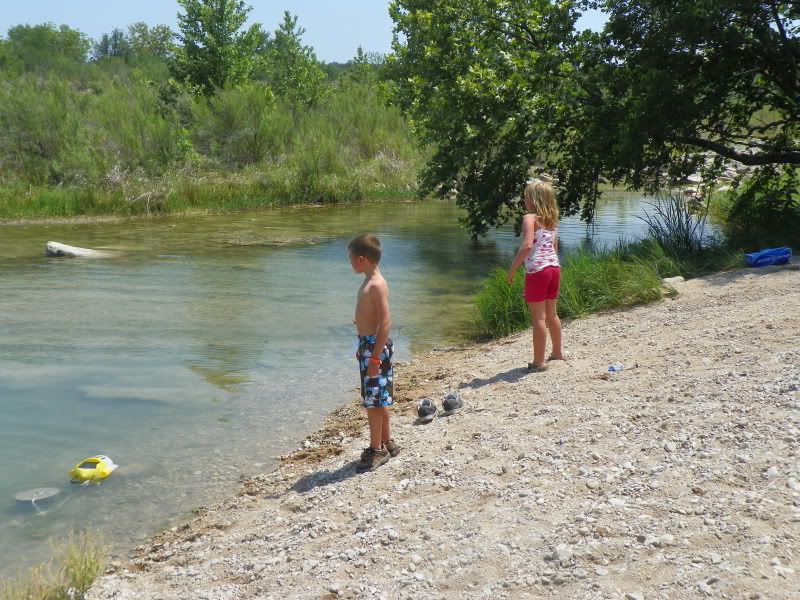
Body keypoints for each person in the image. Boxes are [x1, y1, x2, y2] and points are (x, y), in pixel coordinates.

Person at [348, 234, 399, 472]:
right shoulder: (370, 280)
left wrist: (376, 357)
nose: (349, 263)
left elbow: (386, 322)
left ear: (361, 259)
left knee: (373, 403)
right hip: (368, 346)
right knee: (379, 398)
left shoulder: (376, 284)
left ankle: (376, 448)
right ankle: (387, 442)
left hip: (375, 348)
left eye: (351, 258)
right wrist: (364, 349)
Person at [506, 180, 564, 372]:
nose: (524, 199)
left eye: (527, 196)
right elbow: (554, 248)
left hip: (538, 272)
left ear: (535, 200)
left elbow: (527, 245)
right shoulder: (552, 220)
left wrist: (513, 269)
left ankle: (538, 362)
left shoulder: (529, 218)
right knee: (552, 313)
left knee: (538, 318)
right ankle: (557, 353)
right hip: (554, 269)